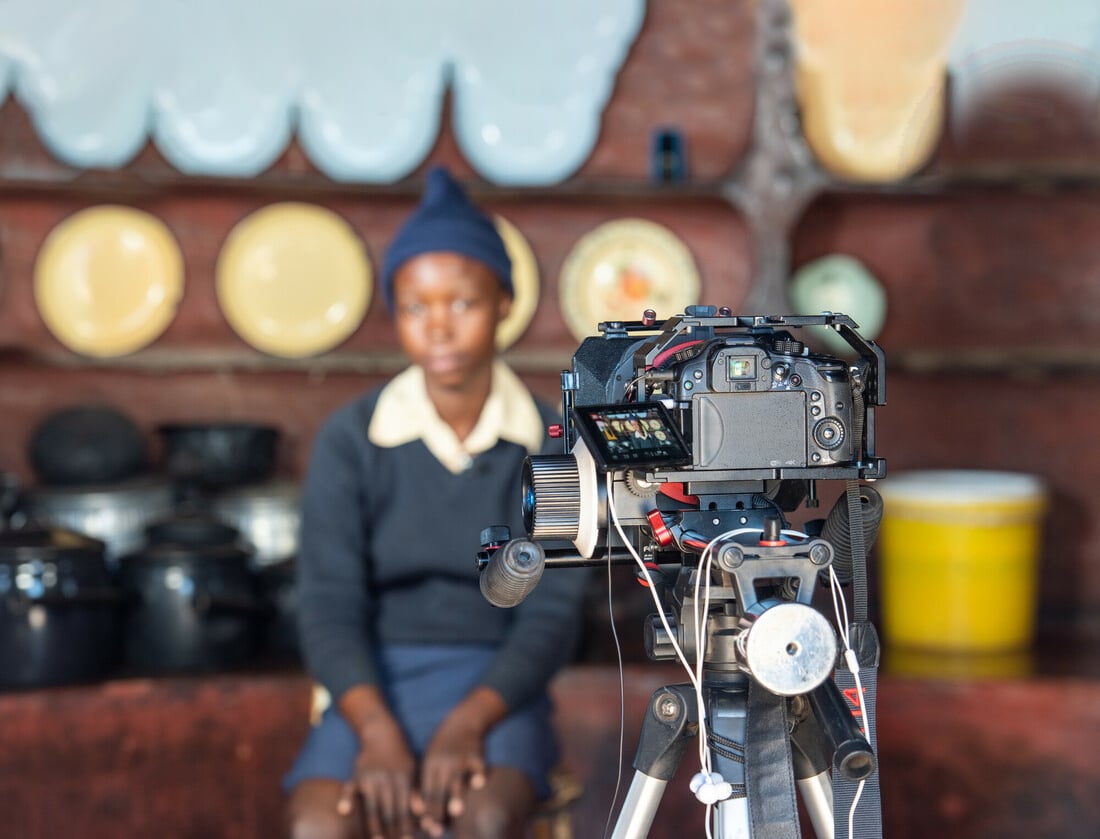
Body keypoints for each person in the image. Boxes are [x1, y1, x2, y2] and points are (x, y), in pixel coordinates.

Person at [284, 167, 589, 839]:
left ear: (505, 302)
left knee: (481, 817)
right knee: (318, 826)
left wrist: (466, 724)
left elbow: (552, 616)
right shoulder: (352, 439)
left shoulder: (555, 446)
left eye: (463, 303)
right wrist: (377, 732)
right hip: (372, 682)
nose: (439, 328)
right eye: (416, 307)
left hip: (498, 687)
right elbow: (329, 606)